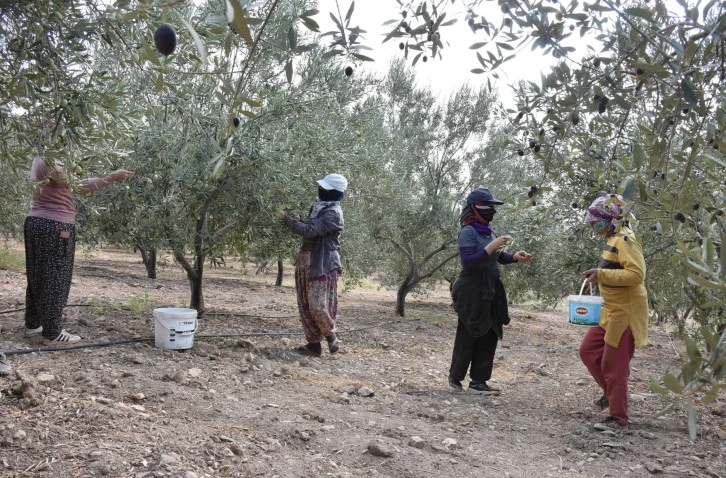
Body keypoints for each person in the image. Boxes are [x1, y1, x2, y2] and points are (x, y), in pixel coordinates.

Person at [24, 155, 133, 344]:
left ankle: (33, 324)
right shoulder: (51, 160)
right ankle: (52, 332)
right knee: (55, 277)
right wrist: (112, 177)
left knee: (38, 275)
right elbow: (79, 186)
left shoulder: (39, 158)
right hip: (55, 225)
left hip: (36, 221)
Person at [448, 187, 533, 394]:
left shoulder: (489, 232)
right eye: (489, 206)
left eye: (494, 206)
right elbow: (468, 263)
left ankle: (479, 381)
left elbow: (497, 258)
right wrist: (491, 247)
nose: (492, 210)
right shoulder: (468, 232)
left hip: (490, 288)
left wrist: (514, 256)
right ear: (475, 208)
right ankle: (455, 377)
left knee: (491, 332)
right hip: (471, 290)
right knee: (469, 332)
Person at [579, 194, 648, 431]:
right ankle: (611, 394)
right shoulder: (614, 238)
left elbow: (637, 275)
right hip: (610, 311)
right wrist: (596, 279)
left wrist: (602, 274)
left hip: (625, 314)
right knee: (588, 351)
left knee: (614, 365)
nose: (592, 226)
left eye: (595, 221)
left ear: (610, 217)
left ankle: (619, 418)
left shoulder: (626, 240)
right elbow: (613, 270)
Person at [280, 173, 347, 358]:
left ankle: (331, 336)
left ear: (335, 193)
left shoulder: (333, 213)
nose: (321, 191)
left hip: (322, 263)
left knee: (317, 305)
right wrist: (299, 221)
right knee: (305, 303)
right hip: (307, 260)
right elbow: (312, 228)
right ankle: (313, 345)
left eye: (326, 189)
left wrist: (287, 219)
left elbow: (310, 231)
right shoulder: (319, 208)